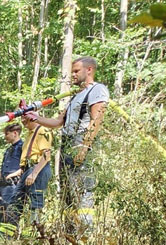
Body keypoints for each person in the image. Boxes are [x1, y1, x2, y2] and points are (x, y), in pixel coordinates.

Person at [25, 56, 109, 230]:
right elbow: (57, 122)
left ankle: (86, 235)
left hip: (81, 142)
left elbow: (97, 120)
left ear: (89, 70)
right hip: (67, 144)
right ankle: (69, 236)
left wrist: (84, 148)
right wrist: (35, 117)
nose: (73, 75)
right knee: (67, 192)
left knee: (83, 190)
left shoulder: (97, 90)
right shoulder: (75, 96)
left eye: (76, 71)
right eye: (72, 72)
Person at [8, 114, 53, 234]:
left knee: (36, 202)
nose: (23, 121)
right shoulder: (29, 134)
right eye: (21, 118)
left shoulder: (43, 130)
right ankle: (8, 233)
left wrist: (34, 173)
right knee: (16, 200)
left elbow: (46, 155)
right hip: (28, 169)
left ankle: (36, 234)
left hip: (39, 168)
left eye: (25, 117)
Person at [0, 123, 23, 238]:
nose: (5, 136)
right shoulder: (8, 150)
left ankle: (8, 236)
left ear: (15, 133)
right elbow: (2, 169)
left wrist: (11, 176)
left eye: (7, 134)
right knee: (0, 210)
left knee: (10, 210)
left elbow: (25, 167)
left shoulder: (23, 147)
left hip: (14, 185)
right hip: (3, 187)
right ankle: (2, 235)